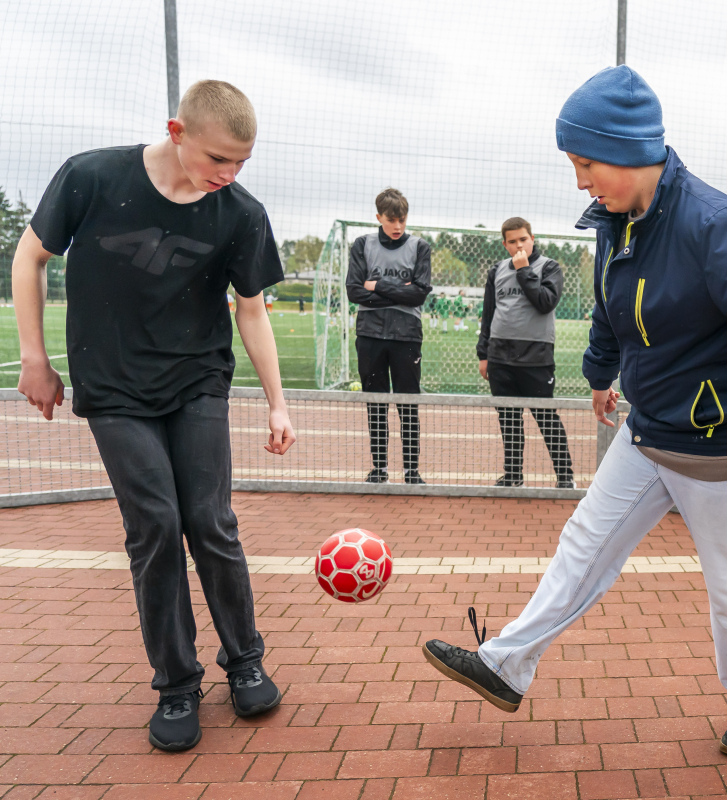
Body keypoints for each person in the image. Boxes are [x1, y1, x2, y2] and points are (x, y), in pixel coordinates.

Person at [422, 66, 727, 758]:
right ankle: (505, 663)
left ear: (627, 148)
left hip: (720, 440)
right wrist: (598, 374)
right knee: (583, 544)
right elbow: (612, 311)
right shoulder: (613, 224)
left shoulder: (716, 226)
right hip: (647, 429)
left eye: (586, 164)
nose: (580, 181)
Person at [13, 80, 295, 752]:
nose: (226, 176)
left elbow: (251, 310)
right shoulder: (92, 176)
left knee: (210, 521)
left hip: (198, 380)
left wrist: (278, 403)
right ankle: (175, 685)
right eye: (217, 160)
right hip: (112, 387)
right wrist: (34, 358)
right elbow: (30, 258)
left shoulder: (240, 213)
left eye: (240, 164)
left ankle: (245, 658)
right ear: (177, 131)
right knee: (156, 526)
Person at [477, 217, 575, 489]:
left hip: (536, 356)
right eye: (512, 241)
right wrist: (483, 354)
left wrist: (523, 271)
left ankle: (565, 477)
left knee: (546, 418)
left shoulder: (549, 267)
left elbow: (545, 303)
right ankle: (513, 475)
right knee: (508, 419)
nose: (519, 245)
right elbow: (488, 313)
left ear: (532, 238)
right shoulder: (496, 270)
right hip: (500, 356)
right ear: (504, 244)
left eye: (523, 239)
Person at [346, 188, 432, 485]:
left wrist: (376, 286)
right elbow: (354, 291)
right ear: (379, 217)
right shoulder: (362, 244)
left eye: (402, 219)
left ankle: (412, 471)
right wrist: (399, 293)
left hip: (407, 336)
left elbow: (419, 294)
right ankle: (379, 468)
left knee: (408, 404)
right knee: (376, 404)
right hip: (369, 333)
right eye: (391, 220)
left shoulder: (420, 247)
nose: (398, 226)